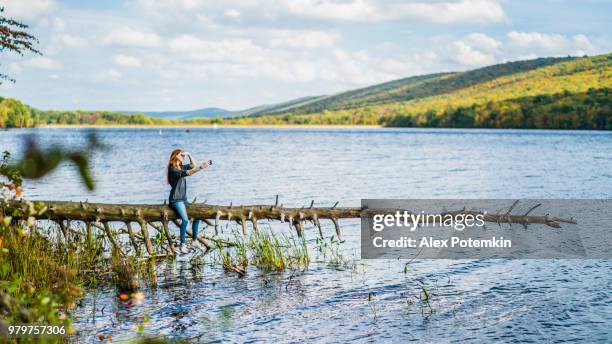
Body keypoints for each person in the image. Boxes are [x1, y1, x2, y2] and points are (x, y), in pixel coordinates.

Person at [167, 149, 211, 253]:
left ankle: (194, 240)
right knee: (185, 220)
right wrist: (202, 167)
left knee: (197, 216)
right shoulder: (173, 169)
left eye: (183, 154)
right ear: (175, 156)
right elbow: (190, 172)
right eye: (180, 154)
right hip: (175, 200)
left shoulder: (181, 167)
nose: (183, 155)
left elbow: (192, 165)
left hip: (183, 199)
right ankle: (182, 245)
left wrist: (190, 154)